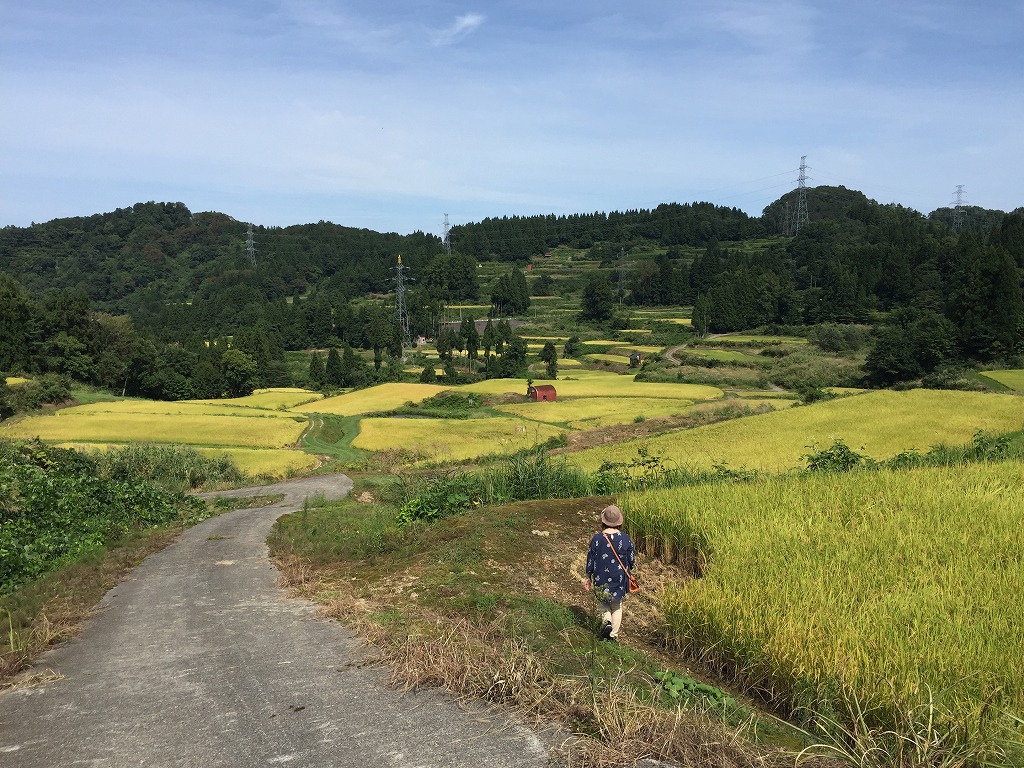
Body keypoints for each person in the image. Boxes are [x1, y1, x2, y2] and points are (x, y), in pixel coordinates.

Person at [584, 504, 635, 642]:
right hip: (619, 577)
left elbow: (591, 558)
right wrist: (629, 568)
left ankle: (606, 622)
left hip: (601, 576)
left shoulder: (597, 538)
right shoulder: (625, 538)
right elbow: (631, 559)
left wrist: (588, 575)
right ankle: (613, 635)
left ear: (604, 521)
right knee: (617, 605)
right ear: (619, 522)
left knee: (603, 602)